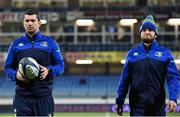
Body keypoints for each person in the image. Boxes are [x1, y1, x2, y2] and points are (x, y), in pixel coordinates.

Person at [115, 15, 180, 116]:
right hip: (137, 109)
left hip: (158, 108)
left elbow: (173, 78)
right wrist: (120, 101)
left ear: (155, 34)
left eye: (150, 29)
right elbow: (124, 80)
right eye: (144, 30)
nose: (147, 32)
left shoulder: (165, 53)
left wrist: (173, 98)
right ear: (140, 33)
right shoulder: (132, 54)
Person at [4, 9, 64, 116]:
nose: (30, 23)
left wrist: (49, 70)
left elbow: (60, 66)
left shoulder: (50, 43)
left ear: (39, 23)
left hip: (44, 97)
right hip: (22, 98)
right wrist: (15, 74)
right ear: (24, 23)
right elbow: (8, 67)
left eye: (33, 20)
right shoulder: (16, 44)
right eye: (27, 21)